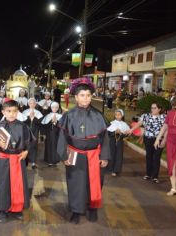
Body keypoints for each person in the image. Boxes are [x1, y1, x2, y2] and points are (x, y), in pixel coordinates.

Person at [57, 78, 110, 224]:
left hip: (94, 155)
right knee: (75, 183)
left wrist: (104, 156)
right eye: (82, 95)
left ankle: (92, 208)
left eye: (88, 95)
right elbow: (62, 137)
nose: (85, 98)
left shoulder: (98, 115)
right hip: (75, 154)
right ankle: (76, 210)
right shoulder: (68, 115)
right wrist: (63, 155)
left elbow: (105, 138)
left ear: (91, 96)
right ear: (76, 97)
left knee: (94, 183)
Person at [0, 99, 33, 223]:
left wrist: (26, 151)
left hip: (18, 159)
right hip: (4, 160)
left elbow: (30, 142)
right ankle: (3, 210)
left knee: (19, 184)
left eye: (14, 111)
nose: (12, 114)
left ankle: (17, 209)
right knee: (4, 184)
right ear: (3, 112)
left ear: (17, 111)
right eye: (8, 111)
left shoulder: (23, 126)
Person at [154, 93, 176, 196]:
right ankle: (173, 188)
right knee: (172, 164)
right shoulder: (171, 113)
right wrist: (158, 139)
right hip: (171, 142)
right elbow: (165, 127)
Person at [127, 102, 166, 183]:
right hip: (148, 138)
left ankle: (155, 176)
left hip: (159, 140)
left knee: (157, 157)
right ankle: (148, 174)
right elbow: (139, 123)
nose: (152, 109)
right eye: (152, 108)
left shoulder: (164, 117)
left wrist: (164, 140)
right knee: (149, 156)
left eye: (154, 108)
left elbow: (166, 129)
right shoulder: (146, 116)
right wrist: (131, 130)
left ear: (159, 109)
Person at [107, 109, 130, 177]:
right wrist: (115, 132)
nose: (117, 116)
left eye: (119, 115)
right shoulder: (111, 123)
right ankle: (110, 168)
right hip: (112, 141)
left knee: (119, 156)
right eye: (116, 115)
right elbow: (108, 132)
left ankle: (116, 170)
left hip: (120, 141)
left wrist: (122, 133)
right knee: (112, 154)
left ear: (122, 115)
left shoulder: (124, 124)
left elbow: (127, 133)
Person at [22, 98, 43, 169]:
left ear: (35, 104)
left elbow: (40, 123)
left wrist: (33, 118)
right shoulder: (25, 112)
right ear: (28, 104)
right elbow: (23, 122)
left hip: (35, 131)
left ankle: (33, 162)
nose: (32, 105)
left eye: (33, 103)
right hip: (26, 132)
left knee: (34, 146)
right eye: (30, 103)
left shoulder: (38, 112)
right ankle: (25, 161)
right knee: (26, 145)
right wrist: (29, 118)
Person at [42, 102, 62, 167]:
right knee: (49, 147)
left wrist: (56, 122)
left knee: (56, 147)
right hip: (49, 134)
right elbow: (44, 126)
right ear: (51, 108)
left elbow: (62, 127)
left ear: (58, 108)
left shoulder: (60, 116)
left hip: (57, 134)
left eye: (56, 107)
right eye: (53, 107)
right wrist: (51, 122)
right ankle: (49, 161)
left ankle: (55, 160)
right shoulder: (48, 116)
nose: (54, 109)